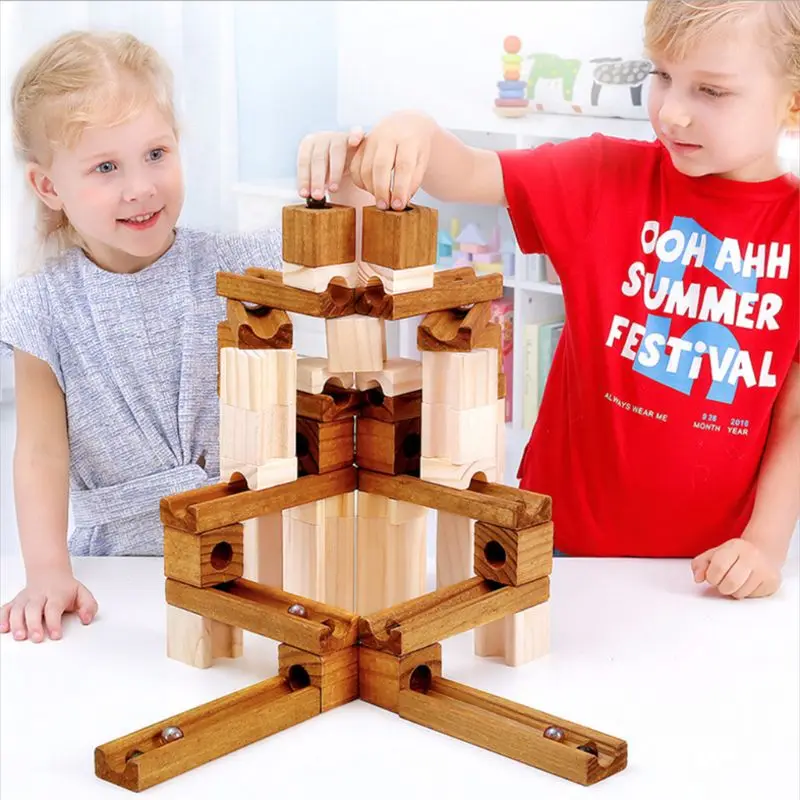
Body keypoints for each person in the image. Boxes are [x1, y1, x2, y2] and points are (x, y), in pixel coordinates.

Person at [298, 0, 799, 599]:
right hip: (556, 541)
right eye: (661, 76)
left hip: (708, 570)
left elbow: (794, 415)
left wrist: (766, 545)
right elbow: (466, 174)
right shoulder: (603, 174)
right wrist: (417, 129)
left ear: (792, 101)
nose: (674, 113)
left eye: (712, 92)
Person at [0, 31, 281, 642]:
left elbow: (327, 232)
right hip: (117, 571)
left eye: (156, 153)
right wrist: (48, 572)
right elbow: (41, 453)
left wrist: (344, 172)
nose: (140, 187)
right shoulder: (41, 304)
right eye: (106, 167)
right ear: (49, 187)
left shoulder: (232, 267)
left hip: (244, 560)